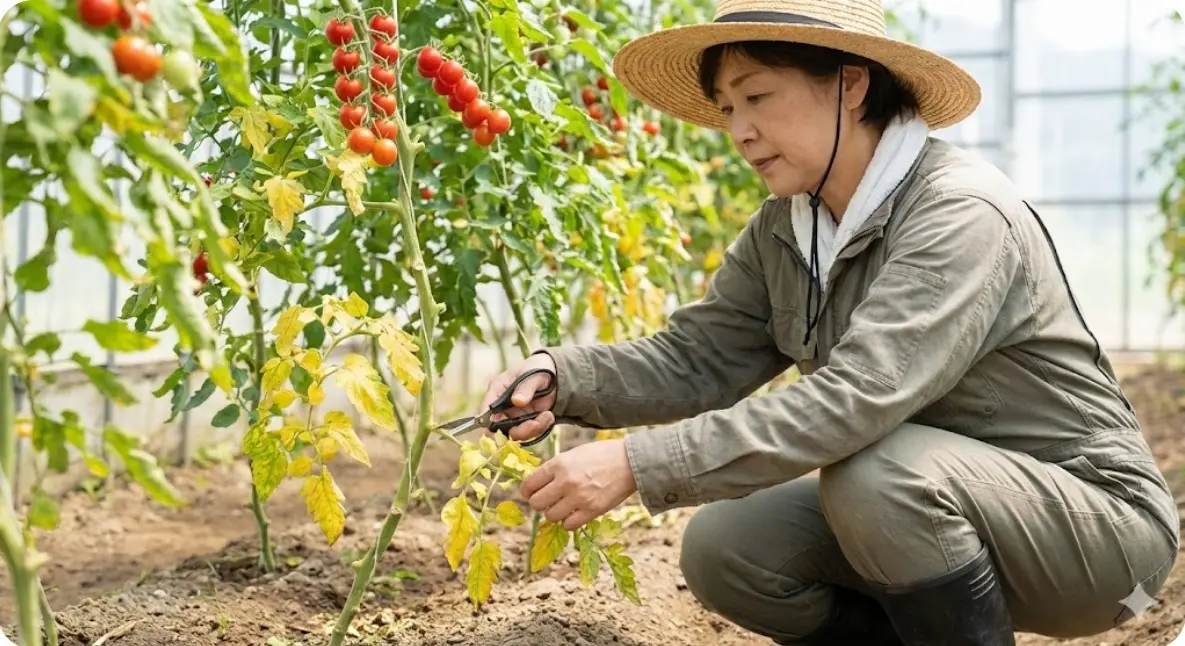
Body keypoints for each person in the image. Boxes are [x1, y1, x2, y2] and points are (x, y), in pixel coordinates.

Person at [479, 1, 1181, 644]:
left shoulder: (958, 212)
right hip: (935, 504)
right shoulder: (787, 226)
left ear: (850, 85)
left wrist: (638, 463)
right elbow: (698, 357)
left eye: (757, 96)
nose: (738, 131)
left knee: (872, 470)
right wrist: (562, 377)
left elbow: (855, 398)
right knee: (725, 547)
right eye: (727, 108)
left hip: (1098, 533)